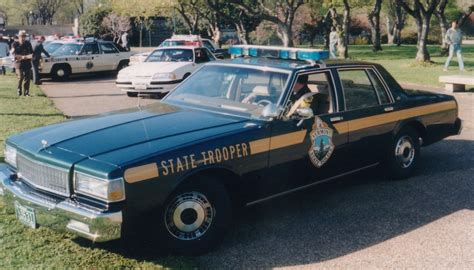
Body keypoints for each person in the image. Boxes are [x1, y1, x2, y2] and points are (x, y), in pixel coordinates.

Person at [12, 30, 33, 96]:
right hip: (19, 63)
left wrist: (26, 57)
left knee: (27, 78)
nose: (23, 38)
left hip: (27, 63)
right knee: (20, 77)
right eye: (21, 36)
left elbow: (31, 53)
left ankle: (26, 92)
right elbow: (14, 54)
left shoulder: (28, 43)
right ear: (18, 37)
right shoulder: (15, 44)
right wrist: (22, 57)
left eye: (24, 36)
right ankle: (19, 90)